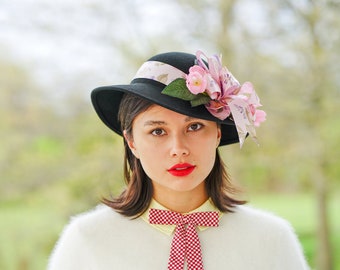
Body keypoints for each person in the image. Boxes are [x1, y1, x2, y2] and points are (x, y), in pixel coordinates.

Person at [48, 50, 309, 270]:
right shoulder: (88, 239)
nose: (178, 149)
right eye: (157, 131)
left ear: (217, 133)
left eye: (194, 127)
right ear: (132, 142)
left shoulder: (271, 239)